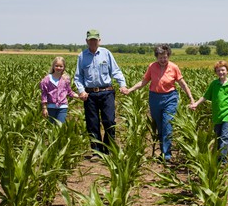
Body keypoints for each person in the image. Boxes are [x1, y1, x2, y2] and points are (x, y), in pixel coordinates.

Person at [125, 44, 195, 163]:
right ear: (156, 57)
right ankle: (163, 152)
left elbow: (182, 84)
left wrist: (191, 98)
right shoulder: (152, 67)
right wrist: (130, 89)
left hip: (170, 98)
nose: (163, 60)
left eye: (165, 57)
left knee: (167, 124)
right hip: (155, 98)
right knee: (160, 126)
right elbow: (144, 81)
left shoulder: (174, 67)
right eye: (160, 57)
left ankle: (166, 155)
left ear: (168, 56)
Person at [74, 29, 128, 158]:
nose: (93, 42)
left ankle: (108, 149)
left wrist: (122, 84)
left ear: (99, 40)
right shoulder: (82, 56)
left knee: (109, 121)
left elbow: (116, 71)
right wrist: (81, 90)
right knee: (92, 123)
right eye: (90, 40)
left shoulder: (106, 53)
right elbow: (78, 77)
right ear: (87, 41)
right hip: (90, 94)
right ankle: (96, 151)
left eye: (95, 40)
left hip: (106, 92)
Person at [189, 60, 228, 162]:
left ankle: (222, 160)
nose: (221, 72)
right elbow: (205, 96)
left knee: (225, 137)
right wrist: (196, 103)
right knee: (217, 137)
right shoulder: (214, 84)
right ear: (216, 72)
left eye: (223, 70)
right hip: (217, 115)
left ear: (227, 71)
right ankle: (218, 157)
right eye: (218, 70)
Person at [40, 56, 79, 123]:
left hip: (63, 107)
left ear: (64, 67)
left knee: (60, 127)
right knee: (51, 128)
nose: (58, 68)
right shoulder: (46, 79)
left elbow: (69, 92)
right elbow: (44, 95)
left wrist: (79, 96)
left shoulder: (66, 79)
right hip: (51, 107)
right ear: (53, 66)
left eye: (61, 66)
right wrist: (44, 108)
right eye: (56, 66)